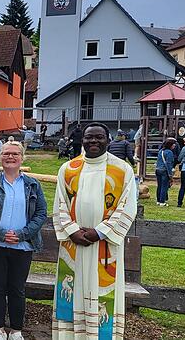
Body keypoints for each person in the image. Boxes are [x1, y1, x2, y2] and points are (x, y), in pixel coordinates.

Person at [52, 122, 138, 340]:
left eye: (99, 137)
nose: (94, 141)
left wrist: (99, 232)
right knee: (71, 292)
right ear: (83, 140)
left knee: (101, 294)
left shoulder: (121, 170)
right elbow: (60, 202)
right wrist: (72, 231)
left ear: (108, 140)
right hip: (74, 245)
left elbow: (127, 205)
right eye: (89, 137)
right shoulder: (69, 168)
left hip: (104, 246)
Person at [0, 141, 47, 340]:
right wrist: (0, 232)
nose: (10, 157)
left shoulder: (32, 184)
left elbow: (41, 212)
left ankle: (16, 330)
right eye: (6, 153)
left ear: (21, 158)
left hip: (23, 245)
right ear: (0, 157)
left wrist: (23, 233)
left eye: (15, 154)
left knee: (17, 288)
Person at [155, 138, 176, 206]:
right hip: (164, 170)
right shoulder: (169, 152)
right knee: (164, 186)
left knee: (159, 186)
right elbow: (168, 164)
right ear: (170, 145)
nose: (174, 146)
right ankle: (162, 201)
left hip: (158, 169)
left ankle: (158, 200)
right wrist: (170, 175)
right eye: (173, 144)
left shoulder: (161, 151)